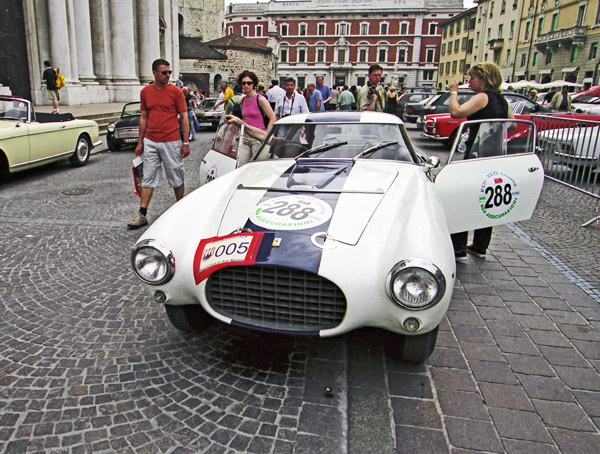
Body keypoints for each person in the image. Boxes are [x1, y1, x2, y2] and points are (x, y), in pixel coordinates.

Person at [447, 62, 514, 261]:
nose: (469, 81)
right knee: (486, 200)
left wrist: (454, 93)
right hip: (493, 155)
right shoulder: (502, 101)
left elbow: (455, 112)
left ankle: (458, 247)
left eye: (472, 78)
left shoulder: (482, 97)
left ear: (483, 80)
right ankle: (480, 245)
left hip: (477, 155)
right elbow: (510, 123)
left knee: (464, 199)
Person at [127, 58, 189, 229]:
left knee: (176, 175)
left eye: (169, 72)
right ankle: (142, 213)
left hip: (171, 140)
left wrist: (185, 142)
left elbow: (184, 117)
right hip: (151, 141)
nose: (168, 75)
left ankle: (181, 208)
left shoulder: (176, 92)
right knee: (148, 177)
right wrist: (140, 142)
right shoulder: (146, 92)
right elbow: (144, 117)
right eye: (164, 72)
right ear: (154, 73)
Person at [238, 70, 276, 165]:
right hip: (246, 137)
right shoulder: (242, 100)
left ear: (254, 84)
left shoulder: (260, 99)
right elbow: (244, 118)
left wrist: (266, 136)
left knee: (257, 166)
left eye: (249, 83)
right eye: (244, 83)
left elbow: (272, 118)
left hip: (258, 137)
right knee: (241, 165)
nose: (246, 85)